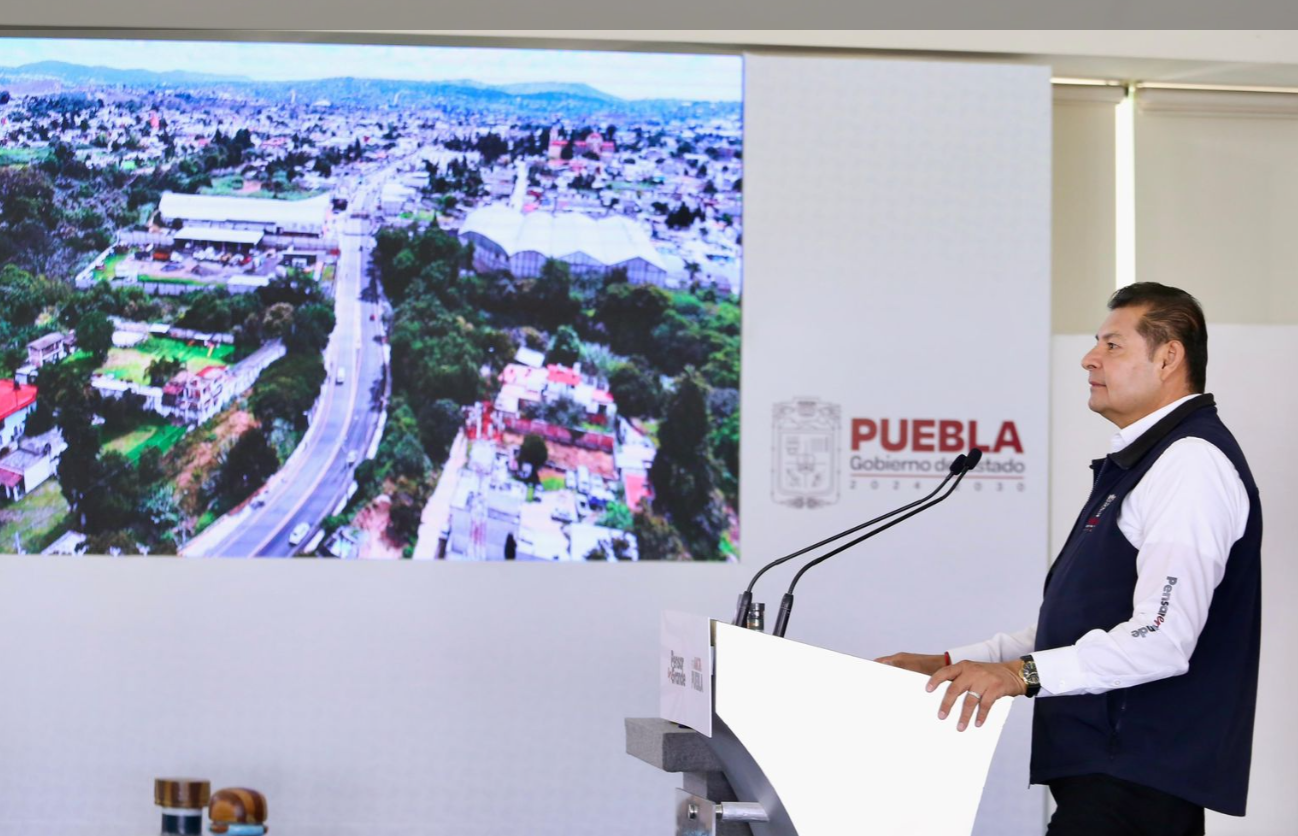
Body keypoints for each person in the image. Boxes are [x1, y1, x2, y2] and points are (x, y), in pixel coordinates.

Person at [877, 283, 1261, 836]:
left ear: (1168, 357)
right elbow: (1080, 624)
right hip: (1109, 781)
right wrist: (947, 661)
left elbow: (1162, 638)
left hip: (1134, 784)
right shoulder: (1145, 462)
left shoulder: (1190, 464)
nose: (1089, 358)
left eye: (1112, 345)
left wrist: (1019, 675)